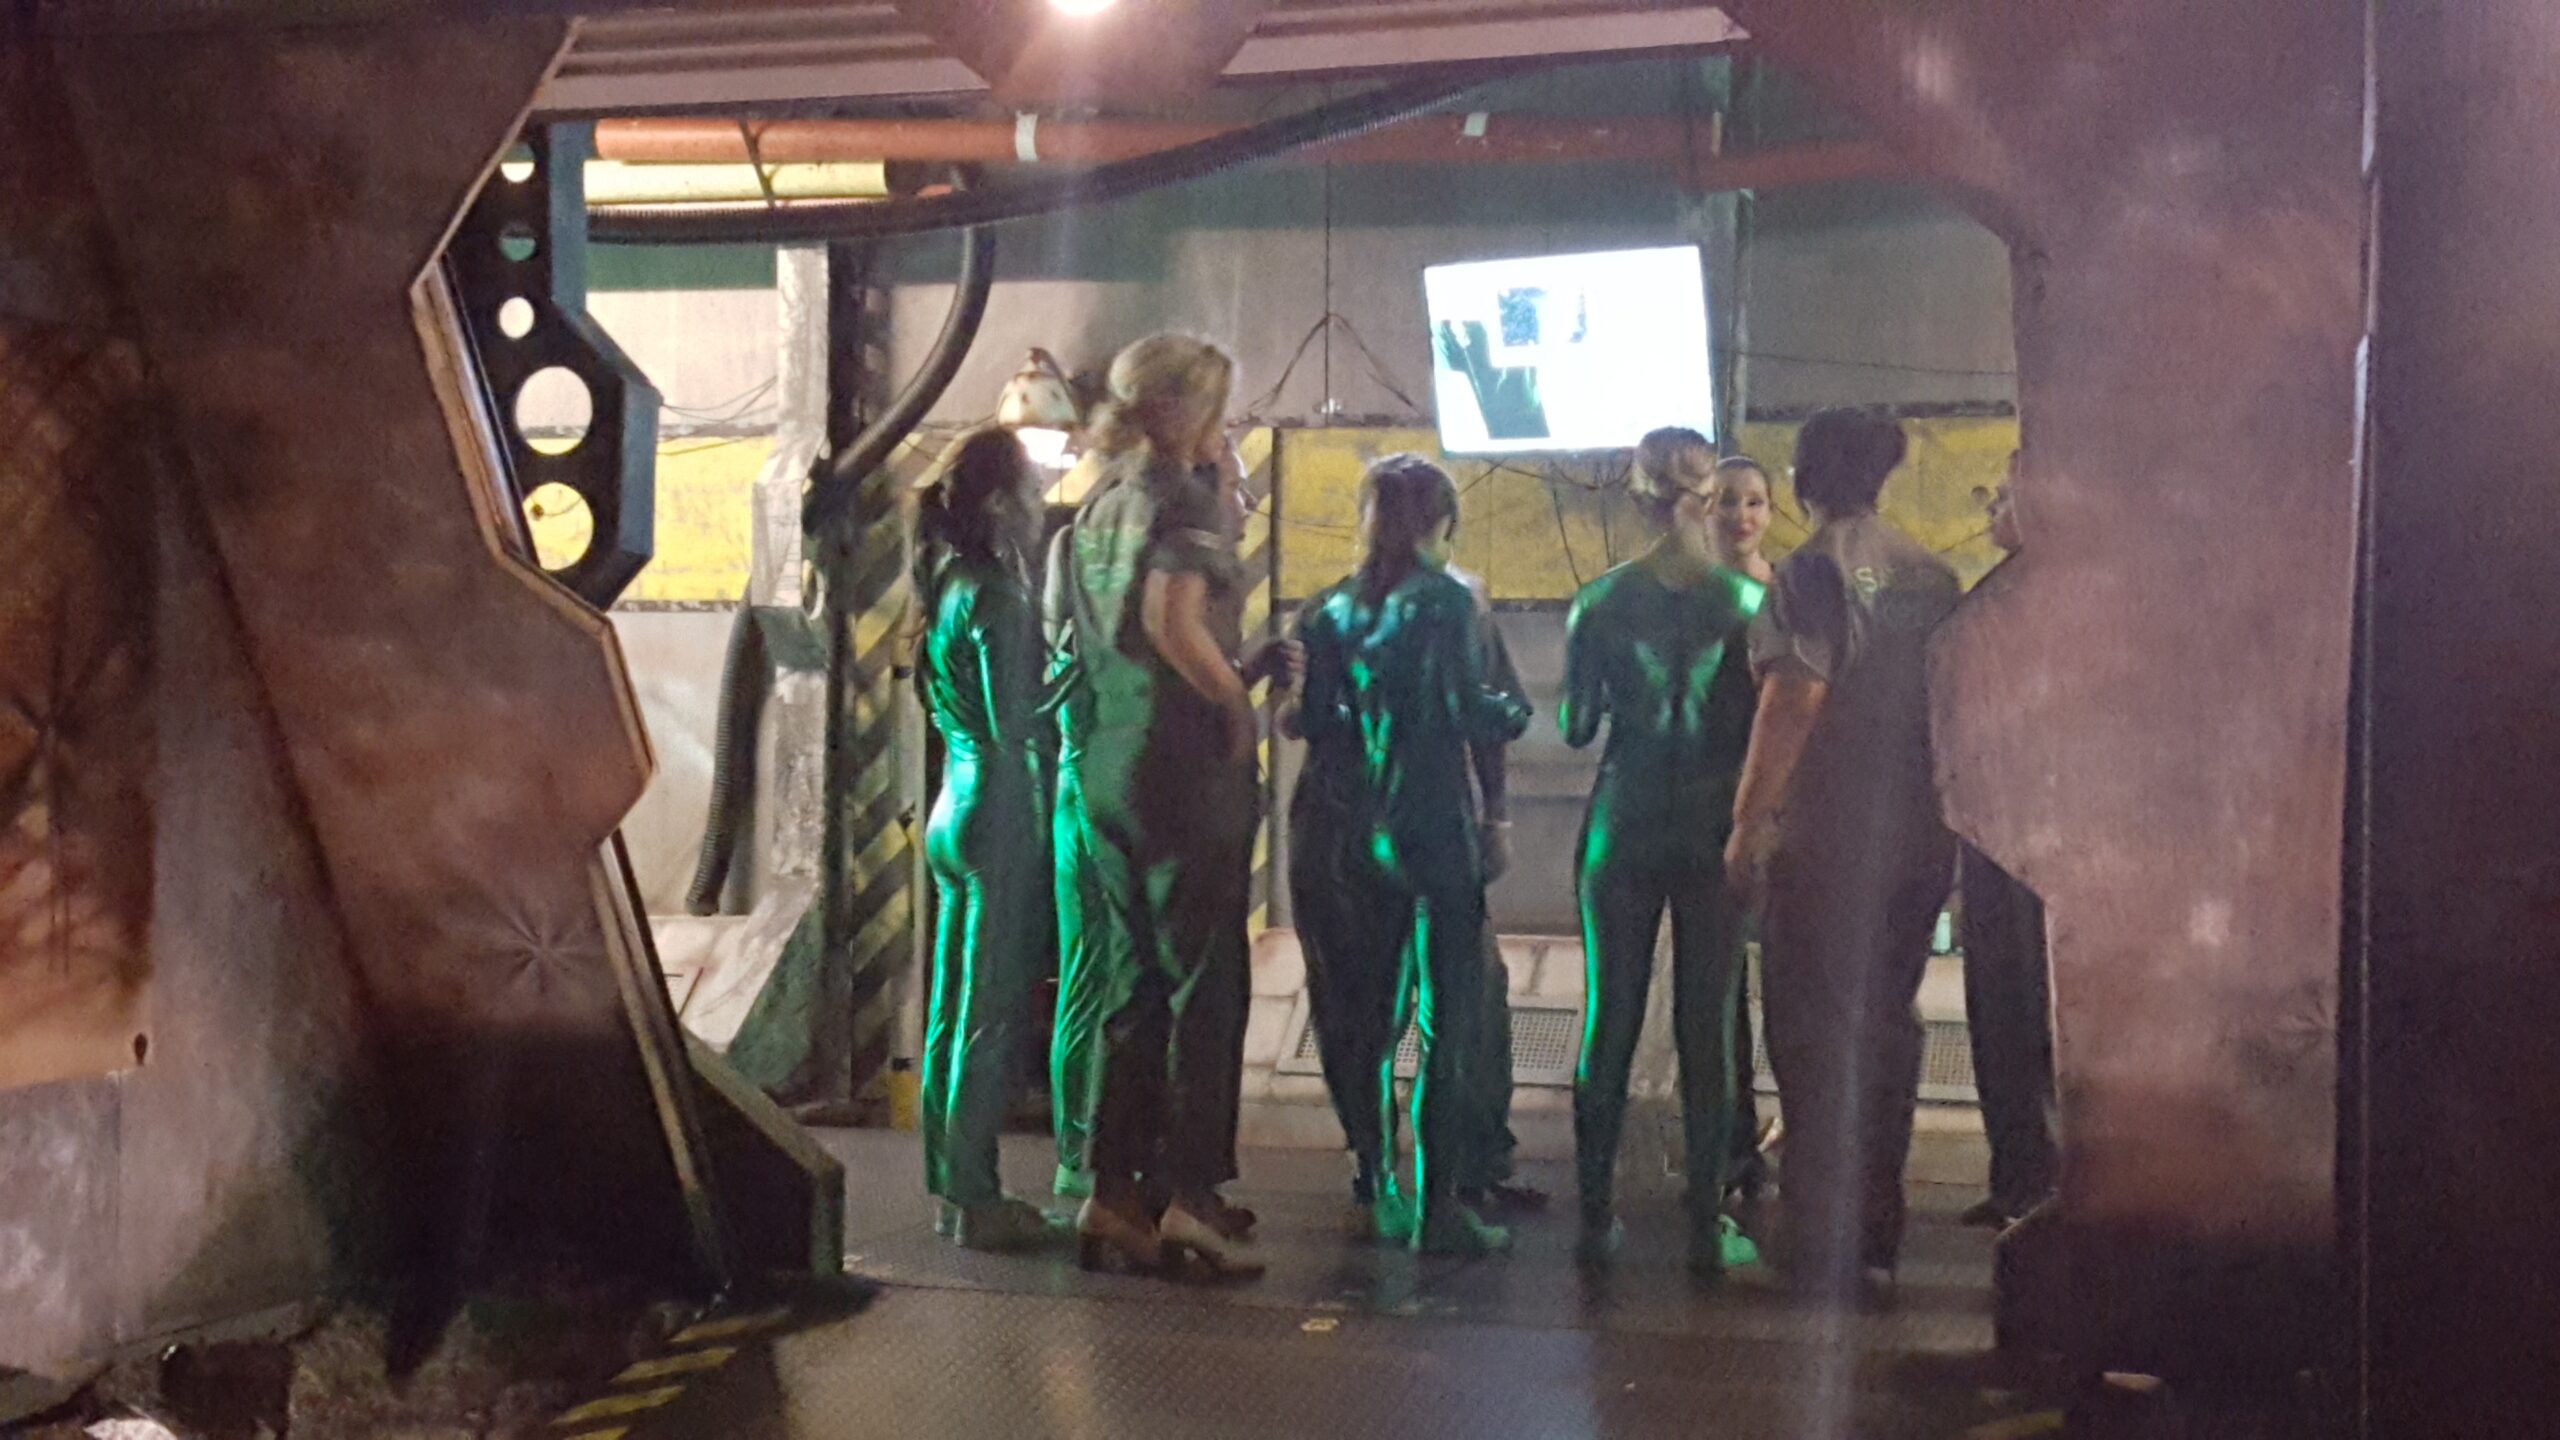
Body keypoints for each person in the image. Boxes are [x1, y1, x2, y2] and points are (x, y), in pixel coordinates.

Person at [1050, 334, 1290, 1279]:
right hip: (1183, 772)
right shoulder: (1183, 499)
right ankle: (1190, 1196)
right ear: (1188, 411)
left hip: (1108, 766)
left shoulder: (1099, 500)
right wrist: (1234, 703)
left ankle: (1115, 1195)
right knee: (1204, 986)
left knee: (1133, 984)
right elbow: (1170, 620)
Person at [1726, 407, 1962, 1294]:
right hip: (1918, 836)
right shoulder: (1932, 576)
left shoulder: (1813, 570)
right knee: (1887, 1028)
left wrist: (1749, 822)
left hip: (1829, 838)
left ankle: (1822, 1240)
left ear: (1800, 480)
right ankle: (1875, 1234)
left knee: (1816, 1037)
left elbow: (1794, 698)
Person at [1286, 454, 1529, 1255]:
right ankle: (1440, 1205)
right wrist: (1512, 714)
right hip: (1429, 820)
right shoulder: (1450, 600)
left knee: (1360, 1013)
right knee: (1447, 1017)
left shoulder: (1327, 609)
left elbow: (1306, 718)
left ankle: (1374, 1178)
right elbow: (1471, 710)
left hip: (1340, 821)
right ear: (1442, 521)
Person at [1559, 427, 1768, 1278]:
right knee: (1706, 1024)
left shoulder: (1599, 601)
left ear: (1637, 496)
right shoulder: (1748, 602)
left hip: (1625, 817)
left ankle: (1594, 1215)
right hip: (1713, 822)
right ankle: (1706, 1223)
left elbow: (1577, 727)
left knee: (1608, 1016)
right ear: (1708, 496)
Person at [910, 426, 1057, 1252]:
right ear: (1001, 502)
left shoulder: (947, 583)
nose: (1040, 502)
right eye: (1031, 488)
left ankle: (949, 1187)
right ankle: (979, 1196)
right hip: (999, 808)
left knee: (948, 1010)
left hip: (950, 808)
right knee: (991, 1014)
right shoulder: (999, 595)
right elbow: (1017, 721)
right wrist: (1077, 677)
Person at [1956, 453, 2058, 1228]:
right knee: (2015, 1014)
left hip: (2012, 834)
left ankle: (2032, 1178)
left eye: (2002, 495)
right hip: (2022, 834)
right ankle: (2028, 1175)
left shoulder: (2004, 607)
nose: (1992, 508)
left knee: (2014, 1011)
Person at [1706, 455, 1779, 1204]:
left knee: (1785, 973)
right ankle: (1731, 1139)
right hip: (1710, 803)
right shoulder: (1694, 598)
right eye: (1727, 501)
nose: (1741, 515)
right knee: (1721, 981)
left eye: (1754, 501)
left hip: (1776, 799)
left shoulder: (1783, 593)